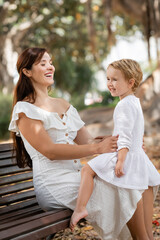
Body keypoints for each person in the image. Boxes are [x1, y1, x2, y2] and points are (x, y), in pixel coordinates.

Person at [8, 48, 155, 240]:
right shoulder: (25, 109)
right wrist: (97, 148)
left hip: (77, 177)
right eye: (42, 64)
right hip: (54, 184)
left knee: (133, 175)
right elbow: (50, 151)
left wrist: (125, 143)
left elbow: (88, 142)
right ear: (27, 71)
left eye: (50, 62)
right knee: (122, 184)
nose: (49, 67)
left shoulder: (63, 104)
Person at [70, 59, 160, 240]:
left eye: (115, 80)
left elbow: (125, 137)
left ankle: (80, 209)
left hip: (126, 155)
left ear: (130, 82)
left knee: (87, 169)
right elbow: (131, 132)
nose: (110, 84)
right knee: (147, 233)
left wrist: (120, 160)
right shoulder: (134, 101)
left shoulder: (123, 105)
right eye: (108, 79)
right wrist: (110, 138)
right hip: (138, 155)